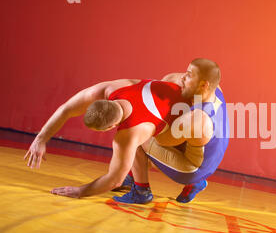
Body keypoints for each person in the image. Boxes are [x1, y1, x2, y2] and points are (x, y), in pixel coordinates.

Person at [24, 78, 187, 200]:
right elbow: (66, 108)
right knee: (169, 80)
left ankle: (143, 191)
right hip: (188, 96)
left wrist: (80, 191)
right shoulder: (113, 88)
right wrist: (40, 139)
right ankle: (134, 178)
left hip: (191, 138)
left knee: (138, 145)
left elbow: (114, 180)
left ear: (111, 126)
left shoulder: (128, 135)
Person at [114, 58, 230, 204]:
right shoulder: (216, 90)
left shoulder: (195, 119)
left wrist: (147, 111)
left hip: (192, 170)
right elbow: (170, 78)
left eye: (188, 75)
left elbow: (162, 139)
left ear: (203, 84)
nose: (183, 77)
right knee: (172, 93)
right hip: (210, 156)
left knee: (135, 131)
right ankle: (132, 175)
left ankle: (141, 191)